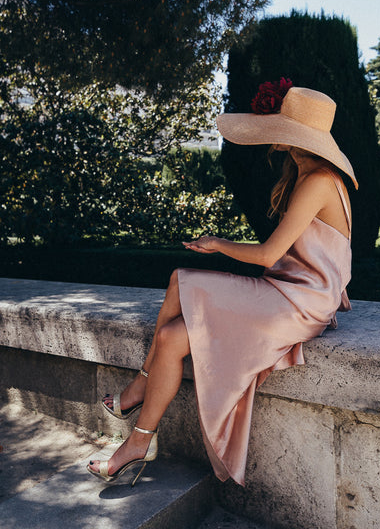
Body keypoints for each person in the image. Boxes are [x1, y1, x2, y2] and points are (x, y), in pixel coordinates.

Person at [87, 84, 358, 488]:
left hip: (301, 301)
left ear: (293, 137)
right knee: (172, 334)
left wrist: (217, 244)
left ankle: (140, 393)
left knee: (182, 282)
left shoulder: (319, 179)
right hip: (290, 288)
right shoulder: (306, 174)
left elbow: (269, 255)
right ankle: (137, 441)